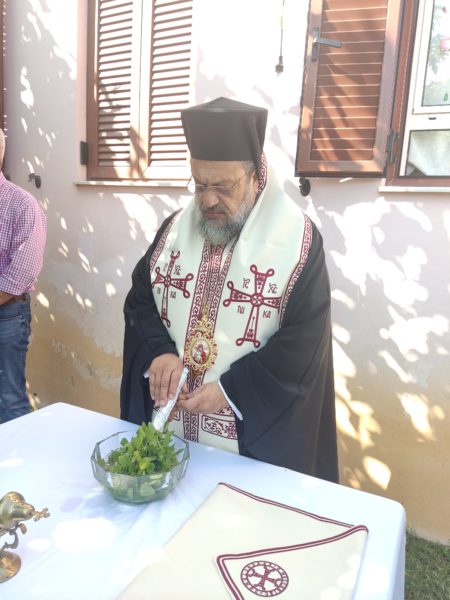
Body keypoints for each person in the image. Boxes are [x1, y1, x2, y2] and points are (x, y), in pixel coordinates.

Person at [120, 97, 338, 482]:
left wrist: (231, 390)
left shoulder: (298, 242)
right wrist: (160, 351)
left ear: (255, 178)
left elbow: (304, 343)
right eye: (200, 185)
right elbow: (141, 299)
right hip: (171, 433)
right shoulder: (174, 231)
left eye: (223, 187)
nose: (208, 200)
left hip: (250, 450)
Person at [0, 129, 47, 423]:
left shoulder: (22, 204)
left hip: (7, 315)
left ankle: (15, 452)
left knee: (9, 398)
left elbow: (20, 274)